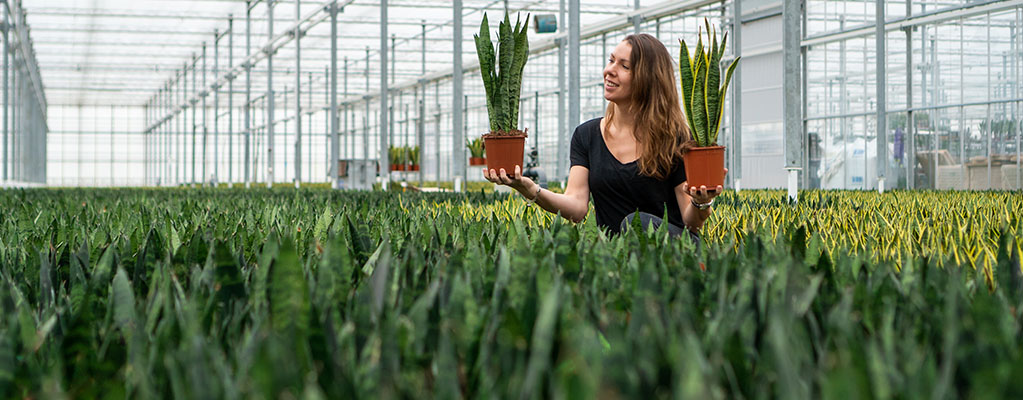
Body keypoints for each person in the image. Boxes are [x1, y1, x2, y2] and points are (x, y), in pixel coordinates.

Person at [483, 33, 726, 240]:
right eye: (611, 61)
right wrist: (529, 189)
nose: (609, 70)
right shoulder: (586, 135)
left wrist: (701, 203)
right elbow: (577, 208)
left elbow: (691, 223)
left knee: (635, 223)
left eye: (624, 66)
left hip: (668, 253)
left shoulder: (675, 138)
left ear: (647, 79)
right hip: (615, 260)